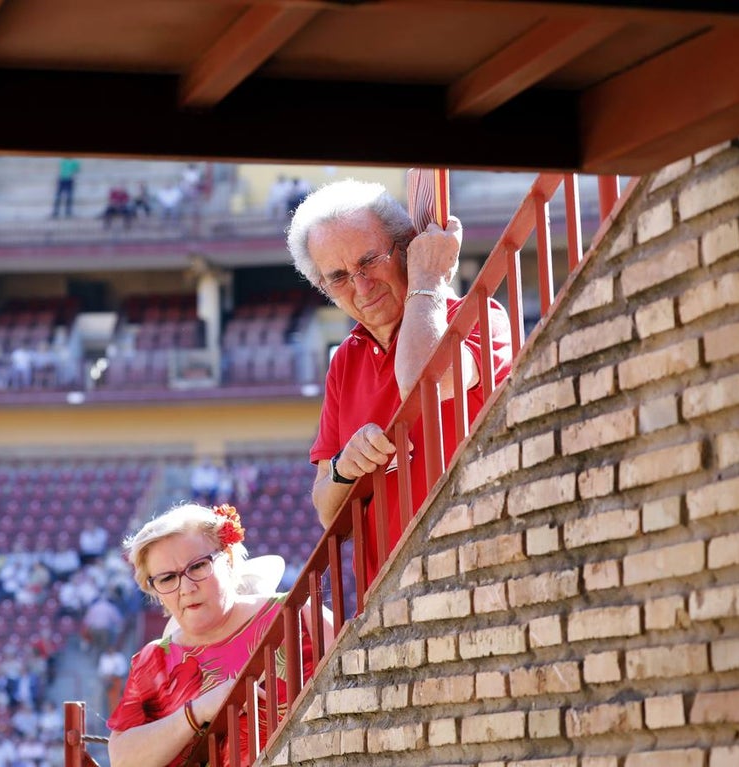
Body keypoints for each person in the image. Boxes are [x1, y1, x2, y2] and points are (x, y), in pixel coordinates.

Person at [286, 178, 513, 581]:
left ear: (406, 247)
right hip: (392, 600)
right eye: (338, 277)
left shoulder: (479, 316)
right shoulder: (344, 361)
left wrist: (429, 280)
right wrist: (344, 468)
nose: (361, 286)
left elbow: (422, 382)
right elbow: (327, 511)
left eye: (369, 260)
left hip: (479, 567)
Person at [106, 503, 331, 767]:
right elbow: (122, 760)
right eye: (167, 579)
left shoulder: (298, 614)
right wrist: (197, 711)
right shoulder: (152, 660)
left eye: (198, 566)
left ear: (230, 559)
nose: (187, 588)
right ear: (155, 591)